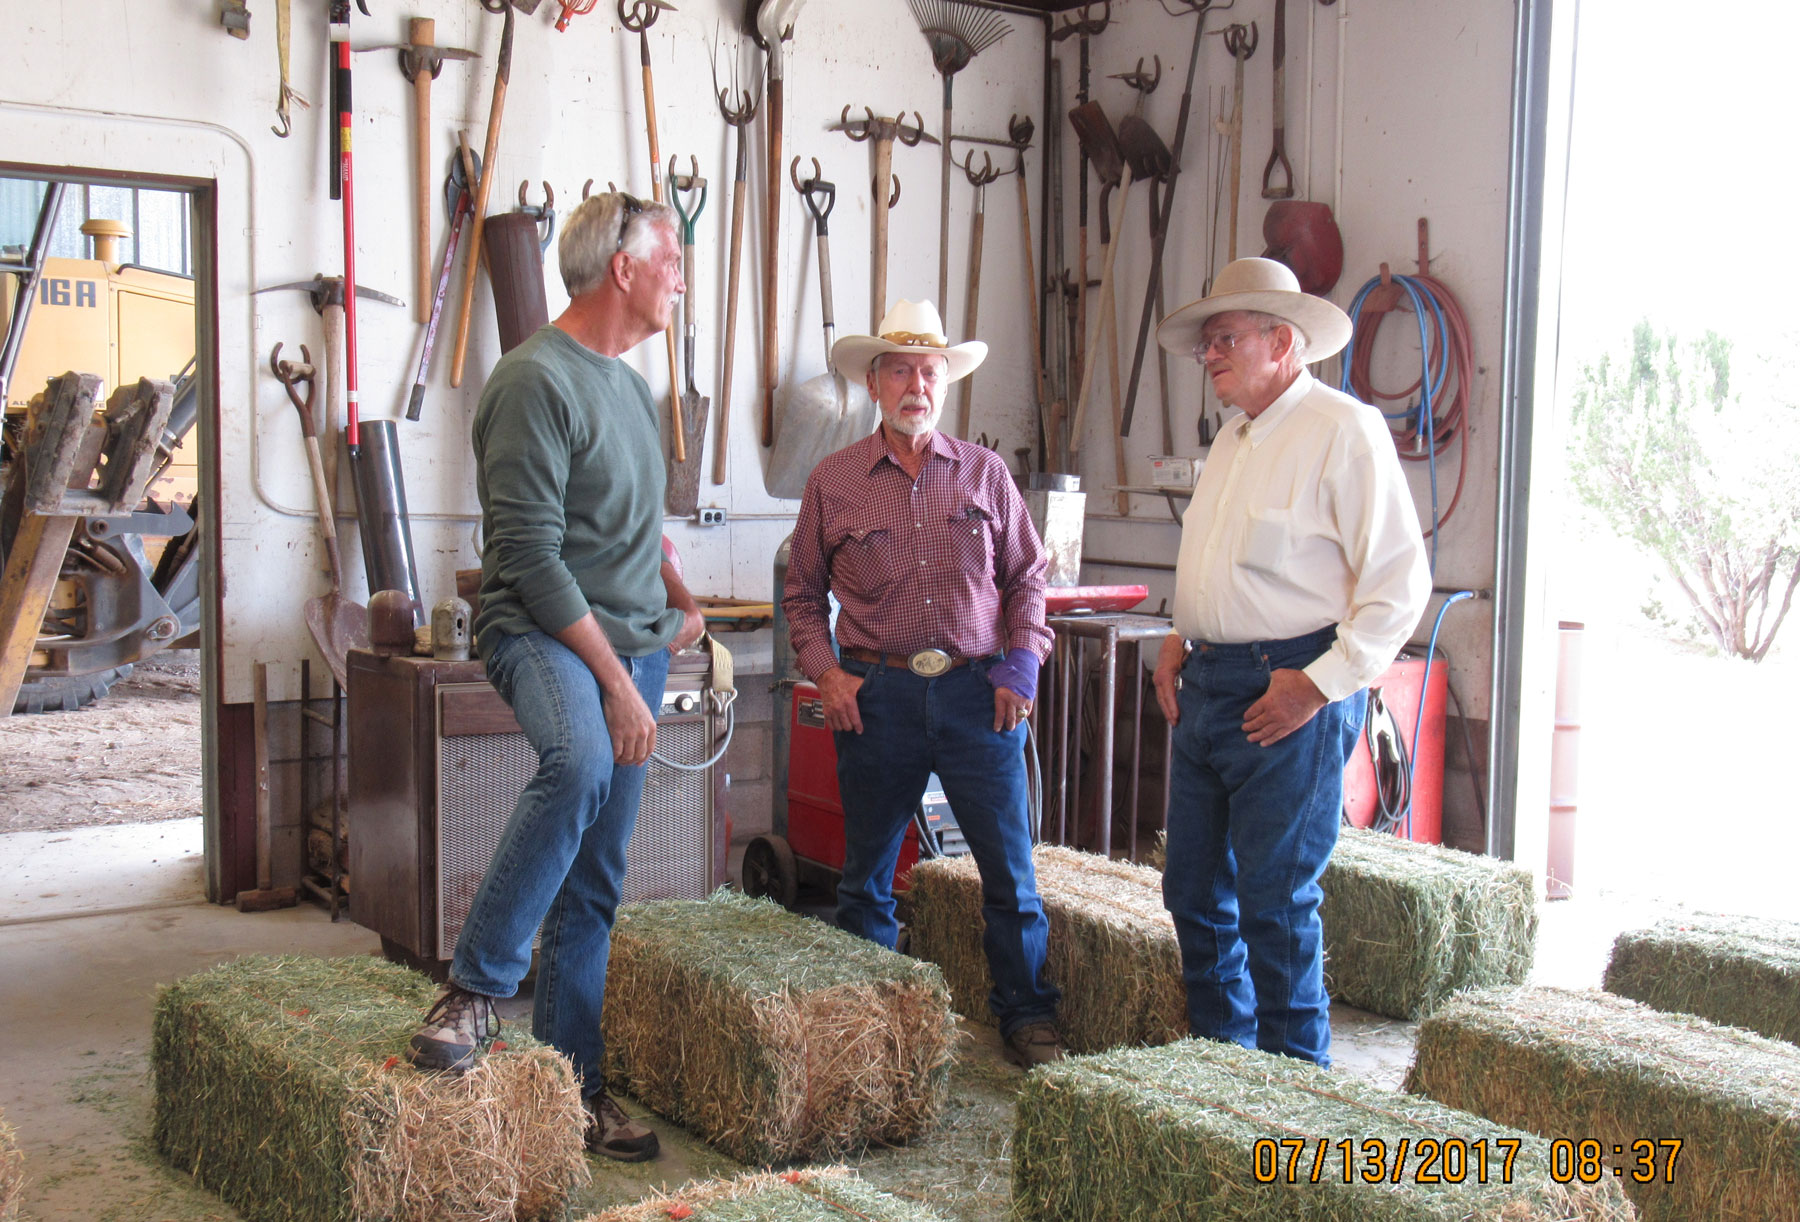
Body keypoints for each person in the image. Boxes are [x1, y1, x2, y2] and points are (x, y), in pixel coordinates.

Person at [406, 192, 705, 1162]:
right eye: (672, 260)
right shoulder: (536, 381)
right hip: (541, 628)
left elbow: (635, 526)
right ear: (622, 267)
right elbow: (531, 560)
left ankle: (576, 1093)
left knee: (598, 881)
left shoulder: (628, 386)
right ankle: (478, 987)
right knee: (577, 761)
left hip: (634, 640)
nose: (681, 279)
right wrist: (617, 681)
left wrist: (677, 591)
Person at [1149, 257, 1430, 1067]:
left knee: (1274, 903)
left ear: (1285, 343)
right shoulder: (1235, 439)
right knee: (1194, 893)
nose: (1211, 355)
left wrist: (1318, 685)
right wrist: (1178, 635)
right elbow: (1215, 561)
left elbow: (1399, 585)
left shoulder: (1343, 431)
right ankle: (1227, 1068)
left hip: (1289, 685)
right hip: (1210, 684)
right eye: (1209, 342)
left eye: (1226, 339)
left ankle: (1297, 1090)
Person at [781, 300, 1065, 1068]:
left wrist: (1020, 663)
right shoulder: (833, 483)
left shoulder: (985, 474)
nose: (917, 385)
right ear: (874, 385)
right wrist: (828, 676)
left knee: (1010, 870)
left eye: (930, 371)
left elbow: (1028, 579)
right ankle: (867, 1027)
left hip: (979, 696)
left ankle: (1028, 1014)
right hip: (877, 699)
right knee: (867, 878)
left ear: (946, 384)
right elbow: (801, 596)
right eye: (901, 370)